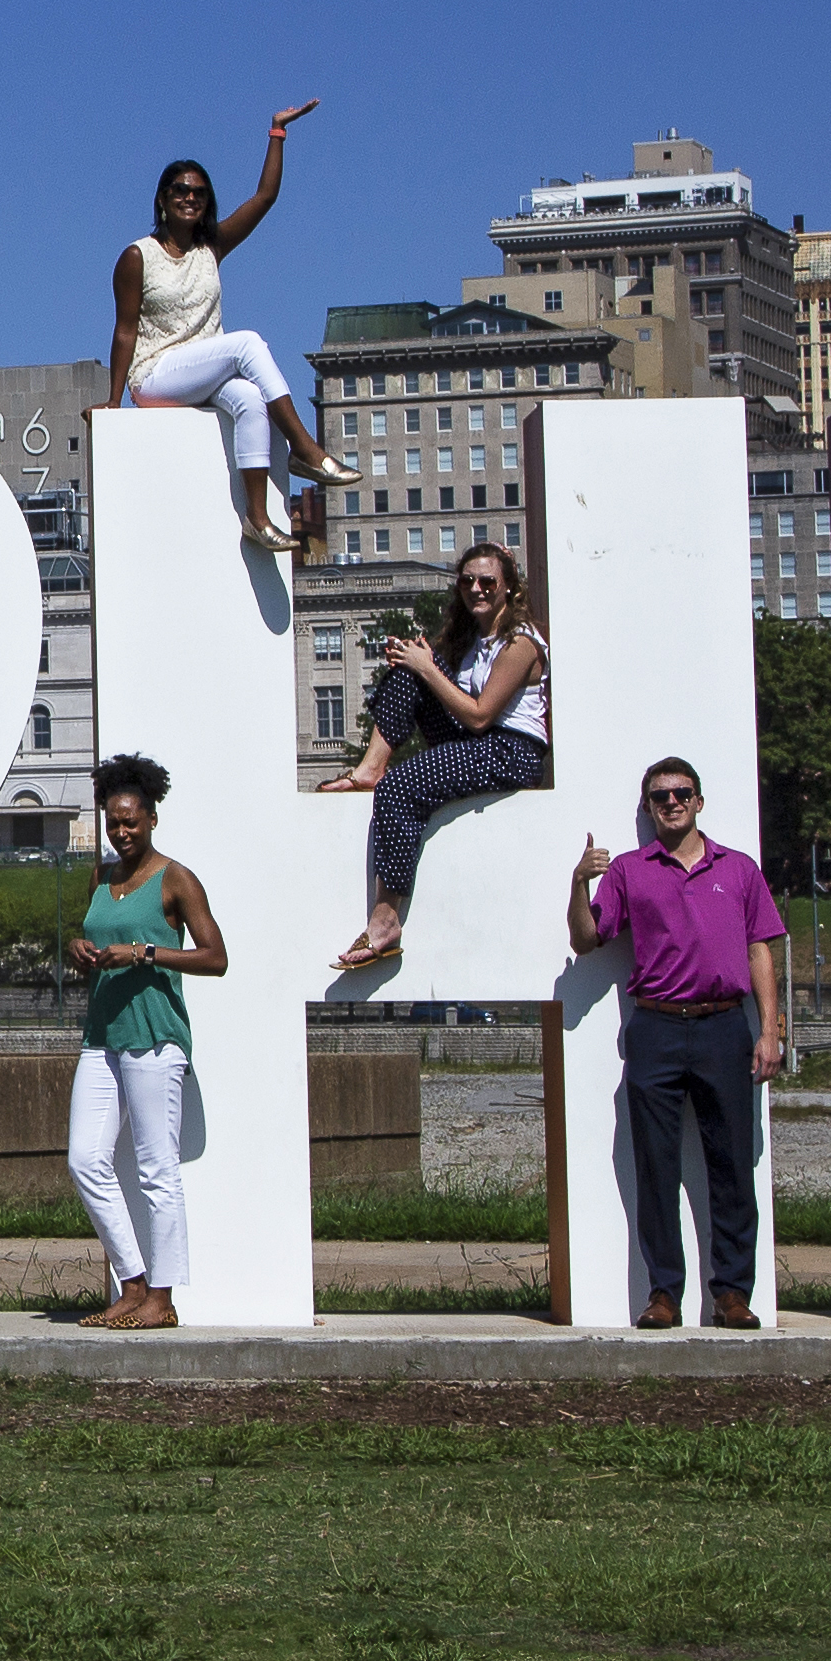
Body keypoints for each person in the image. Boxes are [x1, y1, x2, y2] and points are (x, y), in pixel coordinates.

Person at [568, 756, 788, 1328]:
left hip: (724, 1027)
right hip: (656, 1027)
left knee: (733, 1165)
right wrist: (578, 883)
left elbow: (761, 946)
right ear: (648, 807)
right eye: (660, 796)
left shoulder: (738, 869)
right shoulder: (630, 871)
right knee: (657, 1166)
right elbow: (589, 939)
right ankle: (664, 1293)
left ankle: (733, 1293)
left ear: (699, 801)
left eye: (682, 793)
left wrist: (769, 1029)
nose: (672, 803)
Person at [110, 128, 359, 548]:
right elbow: (125, 330)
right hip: (156, 376)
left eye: (200, 193)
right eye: (181, 190)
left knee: (248, 397)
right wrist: (113, 402)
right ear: (162, 199)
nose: (190, 198)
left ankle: (257, 519)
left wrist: (277, 133)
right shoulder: (138, 256)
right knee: (247, 344)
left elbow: (264, 197)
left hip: (205, 374)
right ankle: (304, 448)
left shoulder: (212, 248)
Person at [323, 540, 552, 974]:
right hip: (476, 739)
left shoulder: (521, 643)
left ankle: (386, 921)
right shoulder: (472, 640)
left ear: (508, 588)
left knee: (403, 785)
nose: (477, 589)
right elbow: (456, 705)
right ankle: (370, 766)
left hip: (511, 750)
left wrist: (430, 668)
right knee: (410, 665)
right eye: (467, 581)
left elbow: (483, 715)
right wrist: (420, 664)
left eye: (488, 581)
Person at [64, 753, 226, 1331]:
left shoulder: (176, 878)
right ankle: (131, 1283)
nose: (121, 831)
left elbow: (216, 957)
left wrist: (145, 953)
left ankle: (162, 1298)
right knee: (85, 1158)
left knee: (158, 1170)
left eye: (130, 820)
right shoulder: (100, 877)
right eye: (113, 822)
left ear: (152, 817)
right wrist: (80, 951)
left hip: (156, 1037)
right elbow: (92, 936)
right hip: (103, 1035)